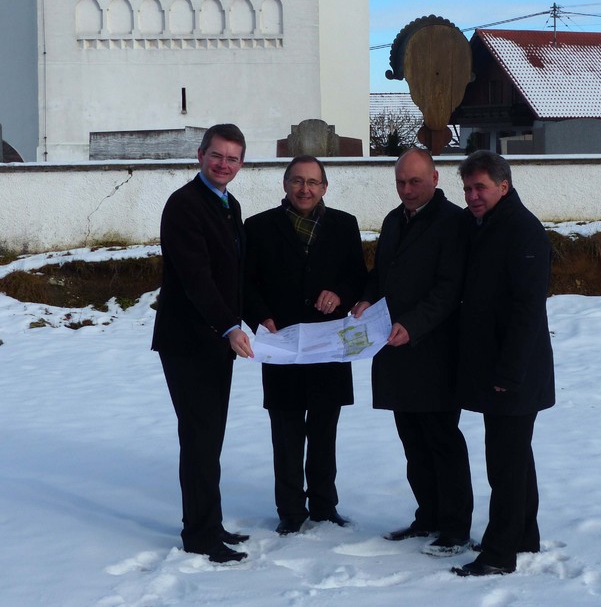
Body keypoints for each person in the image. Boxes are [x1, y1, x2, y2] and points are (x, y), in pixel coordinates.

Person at [352, 148, 473, 557]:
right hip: (393, 349)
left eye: (415, 182)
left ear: (435, 179)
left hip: (434, 352)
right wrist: (367, 299)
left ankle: (455, 529)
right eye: (401, 182)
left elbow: (449, 288)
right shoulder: (392, 219)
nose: (406, 189)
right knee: (412, 442)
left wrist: (415, 325)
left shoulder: (454, 222)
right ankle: (428, 517)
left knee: (442, 440)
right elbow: (380, 274)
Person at [244, 155, 367, 536]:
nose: (305, 189)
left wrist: (341, 293)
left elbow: (358, 278)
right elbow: (245, 283)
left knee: (325, 430)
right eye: (297, 181)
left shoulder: (344, 225)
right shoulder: (259, 226)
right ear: (285, 184)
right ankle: (291, 510)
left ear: (325, 187)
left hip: (328, 345)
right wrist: (260, 315)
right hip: (281, 345)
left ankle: (325, 506)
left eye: (313, 182)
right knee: (286, 431)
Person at [152, 123, 254, 564]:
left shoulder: (229, 205)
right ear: (200, 155)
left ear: (241, 164)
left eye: (233, 158)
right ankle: (200, 536)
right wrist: (230, 326)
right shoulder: (184, 205)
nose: (224, 164)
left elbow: (235, 275)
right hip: (188, 342)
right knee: (199, 438)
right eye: (217, 155)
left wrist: (254, 318)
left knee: (210, 439)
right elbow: (197, 279)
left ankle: (209, 523)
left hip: (216, 342)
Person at [451, 150, 555, 577]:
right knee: (516, 457)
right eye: (467, 189)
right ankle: (524, 535)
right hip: (502, 368)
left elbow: (527, 309)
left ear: (503, 186)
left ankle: (498, 553)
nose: (472, 196)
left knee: (504, 463)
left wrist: (509, 373)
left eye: (480, 188)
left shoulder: (522, 231)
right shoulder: (488, 225)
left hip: (515, 370)